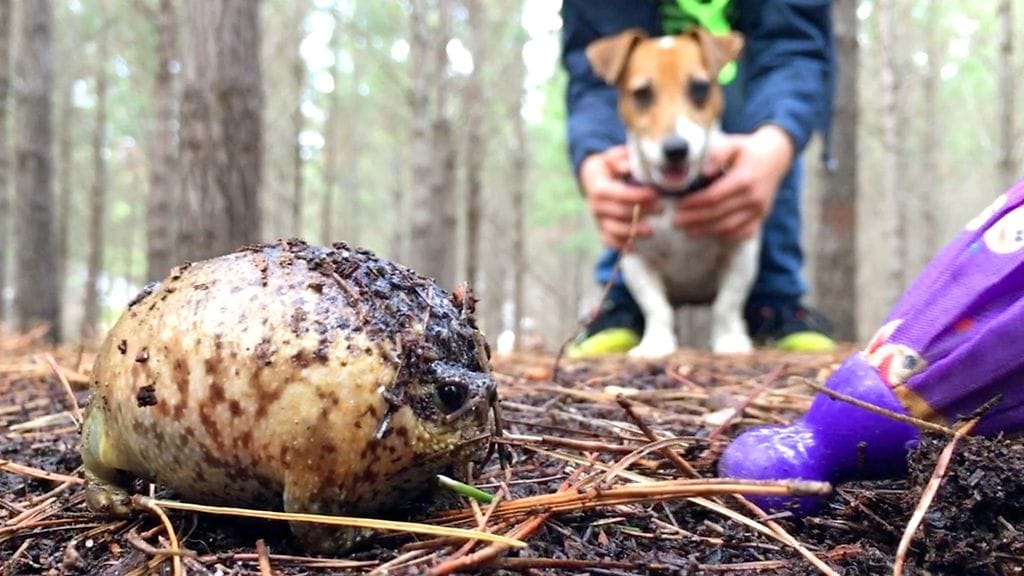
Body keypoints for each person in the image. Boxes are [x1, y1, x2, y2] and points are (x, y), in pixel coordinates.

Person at [561, 0, 837, 356]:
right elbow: (590, 66)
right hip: (640, 196)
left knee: (764, 131)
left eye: (699, 90)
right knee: (630, 228)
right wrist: (593, 155)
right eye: (644, 96)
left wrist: (775, 143)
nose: (674, 127)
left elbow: (794, 41)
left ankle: (773, 298)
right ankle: (624, 306)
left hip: (750, 91)